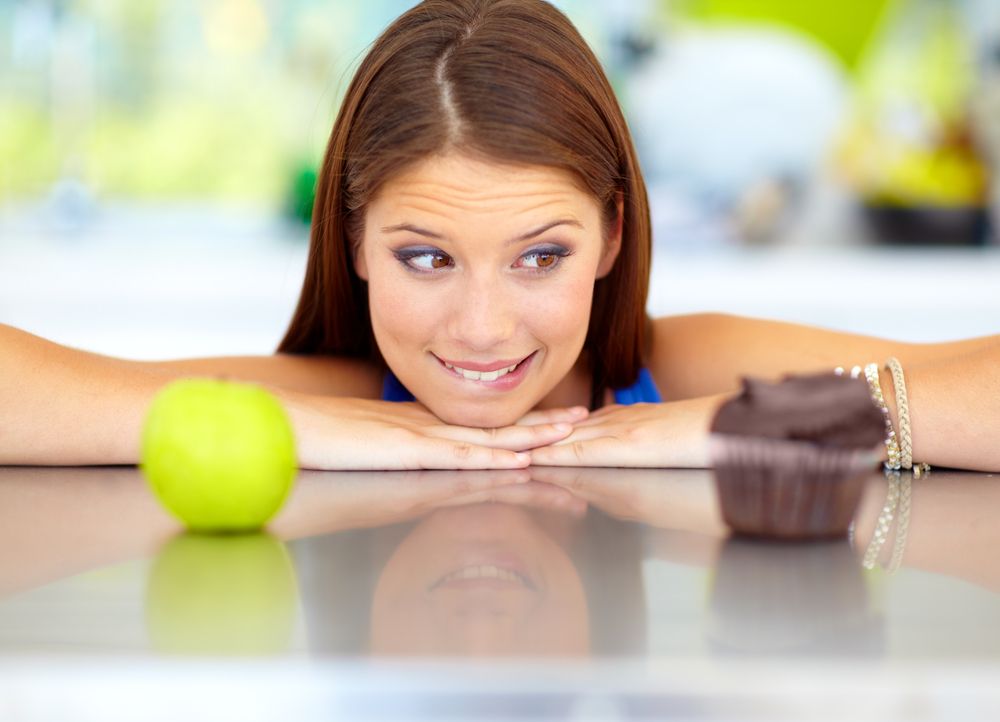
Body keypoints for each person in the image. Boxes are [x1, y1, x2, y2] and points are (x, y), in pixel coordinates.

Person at [1, 0, 998, 471]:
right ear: (352, 241)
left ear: (612, 235)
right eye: (424, 255)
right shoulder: (347, 398)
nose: (481, 328)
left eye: (540, 254)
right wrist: (298, 424)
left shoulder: (681, 367)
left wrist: (707, 425)